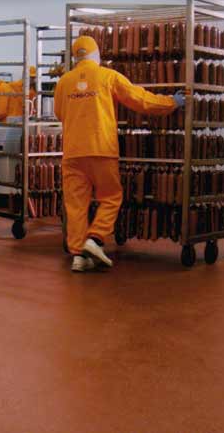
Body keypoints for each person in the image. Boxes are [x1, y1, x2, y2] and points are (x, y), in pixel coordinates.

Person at [56, 35, 183, 272]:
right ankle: (95, 239)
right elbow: (140, 99)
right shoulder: (108, 76)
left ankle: (78, 255)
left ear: (75, 58)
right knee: (111, 196)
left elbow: (59, 113)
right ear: (96, 55)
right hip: (101, 148)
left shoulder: (64, 82)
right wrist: (171, 103)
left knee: (75, 205)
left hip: (72, 152)